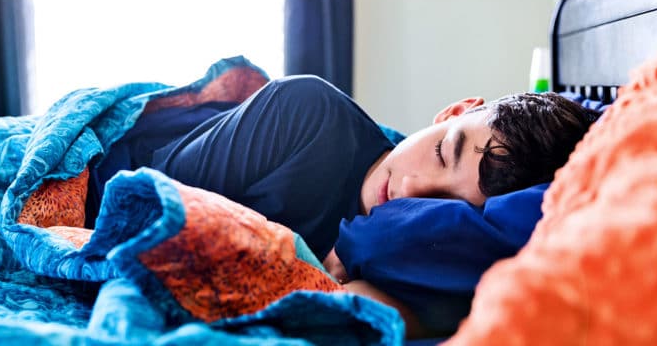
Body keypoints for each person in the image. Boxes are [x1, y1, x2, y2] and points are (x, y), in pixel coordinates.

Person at [87, 74, 601, 337]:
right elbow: (132, 203)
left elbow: (361, 309)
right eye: (444, 151)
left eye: (447, 205)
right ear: (454, 111)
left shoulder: (416, 251)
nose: (414, 192)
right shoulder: (306, 115)